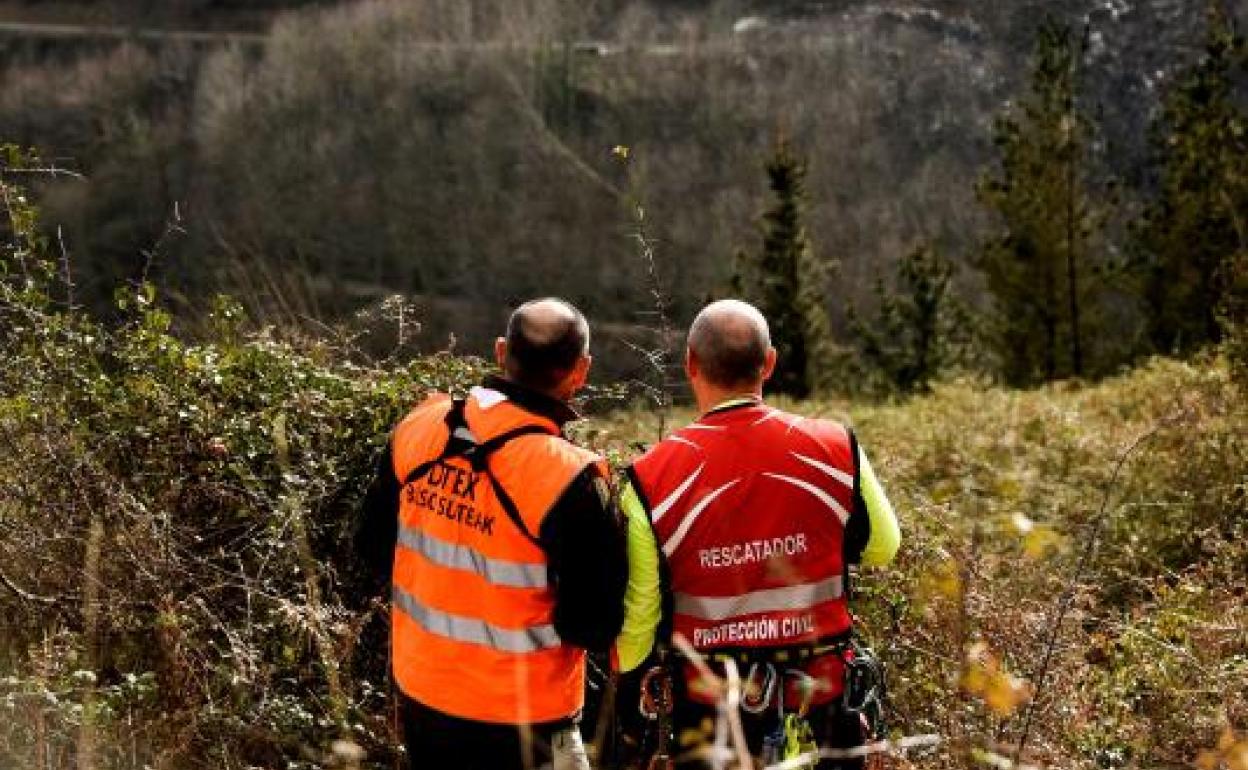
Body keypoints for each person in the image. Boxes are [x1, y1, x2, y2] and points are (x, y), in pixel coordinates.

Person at [612, 299, 902, 769]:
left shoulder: (650, 478)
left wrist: (627, 685)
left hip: (711, 711)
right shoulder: (836, 445)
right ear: (769, 362)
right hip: (824, 705)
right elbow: (883, 548)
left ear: (690, 365)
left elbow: (640, 616)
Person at [356, 298, 628, 770]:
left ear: (501, 352)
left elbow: (372, 548)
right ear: (581, 371)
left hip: (423, 694)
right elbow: (593, 625)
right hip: (528, 721)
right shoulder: (570, 477)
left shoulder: (420, 428)